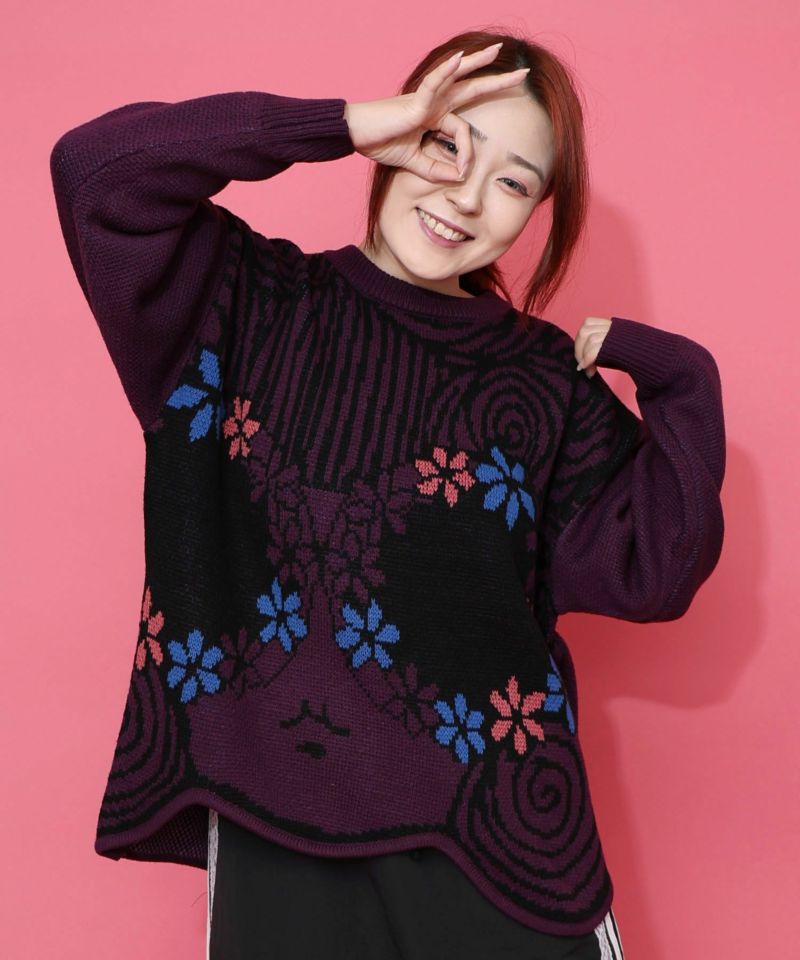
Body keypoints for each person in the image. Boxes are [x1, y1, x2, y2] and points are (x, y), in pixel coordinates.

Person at [50, 29, 725, 960]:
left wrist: (681, 379)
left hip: (504, 853)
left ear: (537, 213)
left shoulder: (540, 384)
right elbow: (95, 172)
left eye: (512, 181)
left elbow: (659, 572)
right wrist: (343, 124)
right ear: (399, 135)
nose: (466, 195)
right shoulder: (238, 304)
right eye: (447, 143)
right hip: (278, 841)